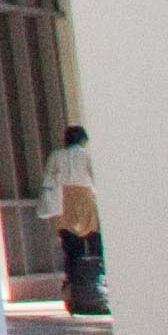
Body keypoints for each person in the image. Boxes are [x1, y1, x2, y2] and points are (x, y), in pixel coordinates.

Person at [47, 121, 104, 316]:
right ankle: (95, 289)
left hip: (64, 202)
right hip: (85, 199)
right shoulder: (86, 155)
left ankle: (73, 292)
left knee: (71, 250)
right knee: (94, 244)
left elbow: (49, 182)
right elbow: (96, 177)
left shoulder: (56, 156)